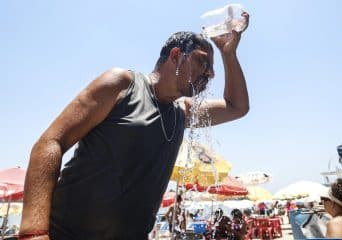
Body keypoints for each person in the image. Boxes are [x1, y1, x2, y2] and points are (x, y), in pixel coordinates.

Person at [19, 12, 250, 240]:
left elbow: (236, 106)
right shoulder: (122, 85)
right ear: (176, 56)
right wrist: (34, 232)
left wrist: (228, 53)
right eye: (202, 61)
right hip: (64, 233)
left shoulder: (183, 112)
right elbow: (51, 142)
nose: (210, 73)